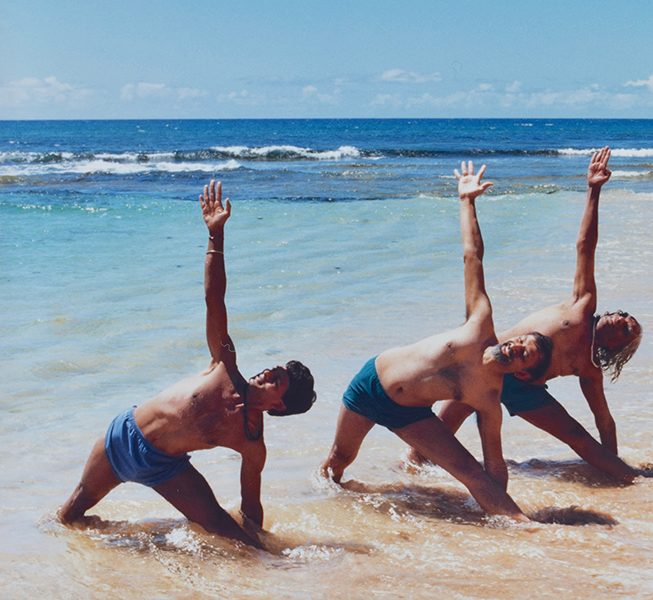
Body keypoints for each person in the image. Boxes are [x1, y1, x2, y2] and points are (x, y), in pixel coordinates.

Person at [59, 181, 317, 549]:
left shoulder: (252, 443)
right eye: (273, 370)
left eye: (277, 381)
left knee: (239, 540)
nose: (267, 373)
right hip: (122, 437)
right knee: (69, 517)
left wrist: (260, 544)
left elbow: (250, 502)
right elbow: (215, 299)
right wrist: (216, 235)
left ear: (278, 406)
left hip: (166, 468)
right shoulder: (225, 363)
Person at [318, 162, 553, 523]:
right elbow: (472, 256)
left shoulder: (488, 397)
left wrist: (502, 510)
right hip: (369, 384)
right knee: (339, 460)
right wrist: (466, 201)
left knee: (471, 473)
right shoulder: (480, 321)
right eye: (522, 341)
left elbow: (493, 462)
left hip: (409, 415)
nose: (517, 346)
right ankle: (321, 502)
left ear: (522, 374)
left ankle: (523, 525)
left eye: (525, 355)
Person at [409, 148, 653, 484]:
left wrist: (612, 464)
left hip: (528, 392)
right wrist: (593, 189)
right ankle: (409, 484)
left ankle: (629, 480)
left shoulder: (589, 368)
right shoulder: (582, 305)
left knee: (578, 437)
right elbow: (585, 245)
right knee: (431, 444)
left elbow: (603, 421)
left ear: (615, 347)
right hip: (490, 363)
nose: (620, 318)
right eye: (623, 315)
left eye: (627, 329)